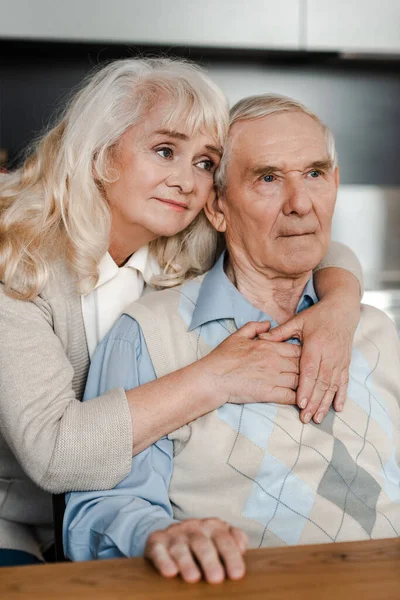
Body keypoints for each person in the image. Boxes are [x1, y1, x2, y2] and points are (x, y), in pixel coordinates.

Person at [0, 58, 361, 566]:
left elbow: (311, 243)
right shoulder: (16, 265)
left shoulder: (184, 246)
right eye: (165, 150)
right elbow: (56, 453)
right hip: (17, 526)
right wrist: (217, 377)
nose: (187, 182)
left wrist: (340, 306)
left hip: (114, 523)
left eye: (205, 163)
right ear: (101, 155)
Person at [64, 93, 400, 585]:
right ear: (218, 208)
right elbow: (100, 509)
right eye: (268, 178)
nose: (301, 204)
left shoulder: (375, 329)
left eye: (315, 173)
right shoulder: (150, 335)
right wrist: (157, 534)